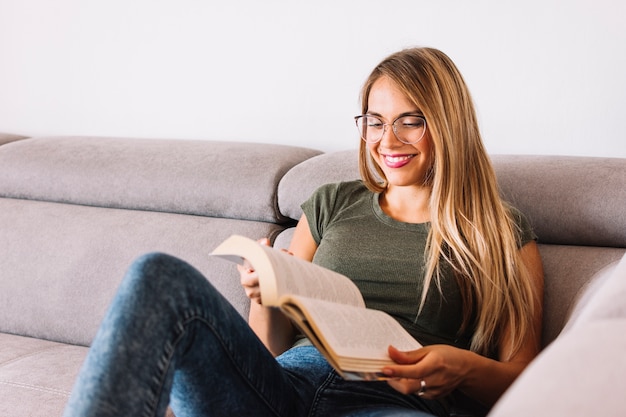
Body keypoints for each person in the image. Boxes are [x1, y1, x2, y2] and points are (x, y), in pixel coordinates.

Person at [63, 47, 544, 417]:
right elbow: (268, 350)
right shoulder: (333, 202)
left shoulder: (500, 231)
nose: (387, 141)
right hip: (284, 386)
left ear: (448, 124)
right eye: (374, 122)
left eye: (410, 122)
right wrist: (266, 292)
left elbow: (526, 376)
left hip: (390, 404)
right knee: (157, 276)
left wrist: (462, 369)